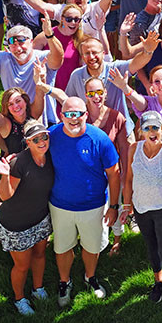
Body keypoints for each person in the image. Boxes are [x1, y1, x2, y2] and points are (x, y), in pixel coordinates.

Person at [47, 96, 121, 307]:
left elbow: (114, 174)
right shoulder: (51, 136)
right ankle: (64, 281)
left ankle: (90, 277)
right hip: (60, 205)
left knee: (91, 246)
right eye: (69, 114)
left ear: (86, 115)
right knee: (62, 247)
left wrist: (114, 206)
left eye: (78, 113)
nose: (74, 118)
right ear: (61, 116)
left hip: (94, 205)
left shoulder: (99, 139)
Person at [119, 111, 162, 311]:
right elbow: (129, 179)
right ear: (140, 131)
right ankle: (159, 282)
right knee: (151, 248)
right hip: (142, 210)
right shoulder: (133, 150)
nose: (152, 132)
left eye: (155, 128)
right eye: (147, 128)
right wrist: (127, 205)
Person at [0, 120, 55, 315]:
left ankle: (38, 288)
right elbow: (4, 196)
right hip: (17, 223)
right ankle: (19, 299)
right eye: (36, 139)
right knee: (22, 265)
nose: (42, 141)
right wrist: (4, 175)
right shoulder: (18, 163)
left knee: (40, 254)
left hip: (40, 218)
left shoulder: (51, 157)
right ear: (28, 142)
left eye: (44, 137)